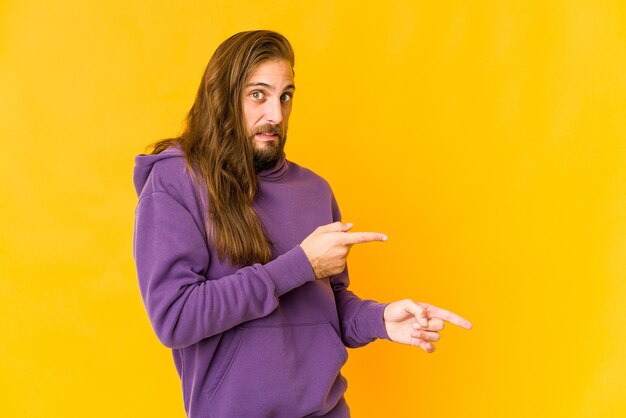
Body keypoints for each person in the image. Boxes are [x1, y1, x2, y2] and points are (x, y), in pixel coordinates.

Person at [133, 30, 472, 418]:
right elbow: (176, 318)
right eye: (258, 95)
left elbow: (327, 308)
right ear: (222, 98)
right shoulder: (176, 182)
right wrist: (298, 266)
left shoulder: (314, 190)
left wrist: (380, 319)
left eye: (286, 96)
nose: (275, 115)